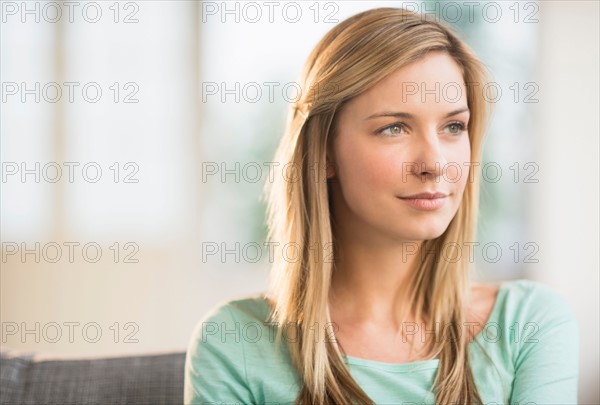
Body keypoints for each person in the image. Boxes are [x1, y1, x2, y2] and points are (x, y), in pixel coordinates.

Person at [184, 7, 579, 405]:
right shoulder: (233, 344)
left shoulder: (526, 324)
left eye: (453, 126)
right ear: (323, 151)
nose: (435, 163)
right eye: (394, 128)